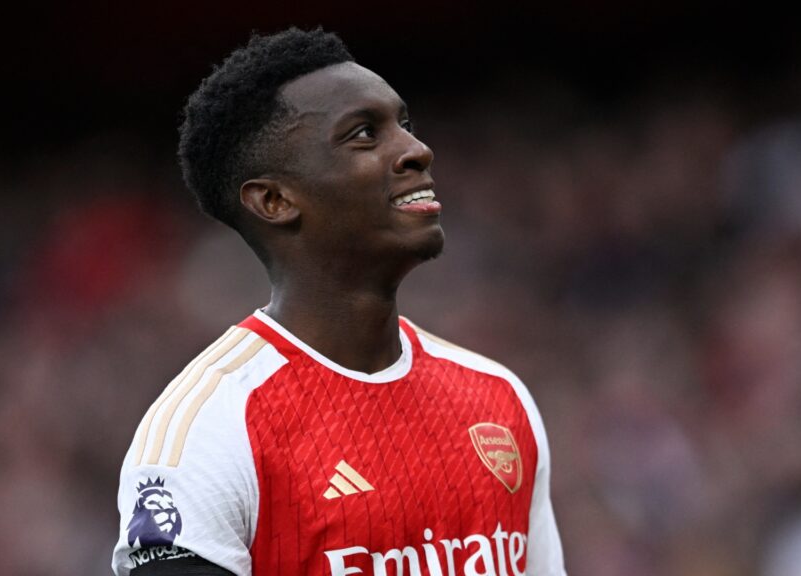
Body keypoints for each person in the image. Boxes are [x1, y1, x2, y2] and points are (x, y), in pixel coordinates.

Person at [112, 27, 566, 576]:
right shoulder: (206, 434)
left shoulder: (498, 398)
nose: (416, 151)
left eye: (405, 124)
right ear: (275, 201)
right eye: (364, 135)